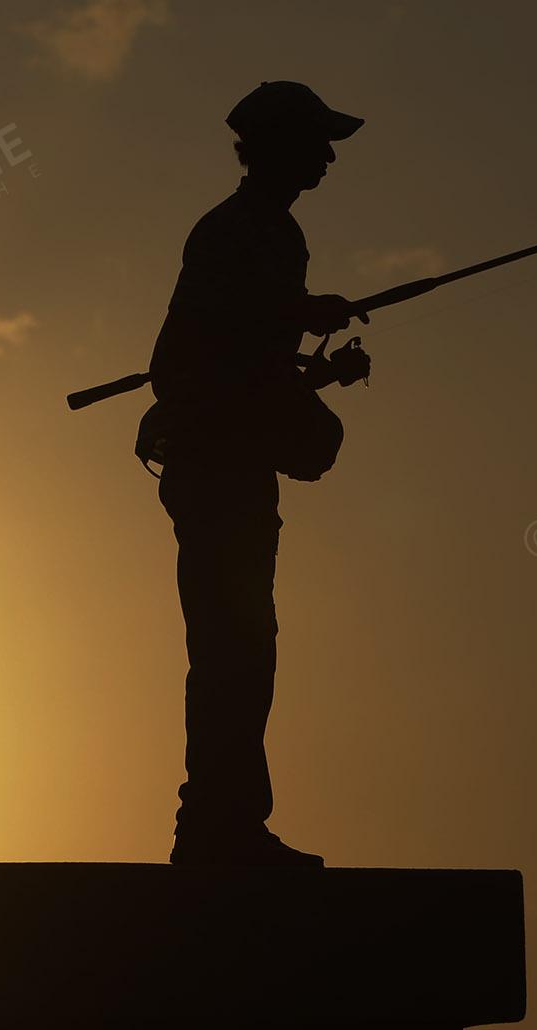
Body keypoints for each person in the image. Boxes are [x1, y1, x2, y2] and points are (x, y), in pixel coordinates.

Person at [145, 81, 370, 868]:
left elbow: (243, 363)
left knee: (244, 646)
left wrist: (299, 331)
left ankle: (223, 823)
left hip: (230, 470)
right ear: (277, 148)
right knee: (233, 647)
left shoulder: (271, 235)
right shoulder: (240, 235)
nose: (331, 156)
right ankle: (215, 829)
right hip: (217, 474)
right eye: (318, 142)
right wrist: (296, 319)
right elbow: (196, 362)